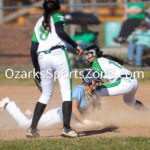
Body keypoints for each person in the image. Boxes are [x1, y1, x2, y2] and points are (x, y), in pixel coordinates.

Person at [28, 0, 83, 138]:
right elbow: (60, 32)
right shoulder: (58, 16)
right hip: (58, 55)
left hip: (42, 58)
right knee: (66, 92)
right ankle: (66, 128)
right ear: (58, 7)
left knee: (45, 94)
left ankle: (32, 129)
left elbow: (33, 49)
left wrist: (37, 69)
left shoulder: (38, 22)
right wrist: (75, 45)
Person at [0, 69, 102, 130]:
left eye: (98, 82)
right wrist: (85, 121)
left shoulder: (93, 94)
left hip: (69, 120)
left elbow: (94, 111)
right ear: (88, 79)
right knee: (24, 125)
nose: (97, 84)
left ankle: (32, 115)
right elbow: (73, 109)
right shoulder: (79, 90)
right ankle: (8, 105)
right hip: (56, 117)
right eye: (95, 81)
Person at [83, 45, 147, 111]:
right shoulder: (104, 59)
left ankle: (84, 115)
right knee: (129, 101)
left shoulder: (97, 62)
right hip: (133, 81)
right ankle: (147, 114)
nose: (86, 57)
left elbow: (94, 78)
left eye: (88, 54)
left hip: (124, 83)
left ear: (94, 54)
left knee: (91, 92)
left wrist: (85, 86)